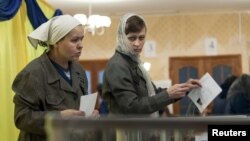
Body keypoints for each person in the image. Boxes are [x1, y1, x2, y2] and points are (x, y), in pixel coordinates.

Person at [12, 15, 99, 141]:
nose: (81, 45)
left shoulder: (79, 70)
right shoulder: (32, 73)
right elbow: (21, 118)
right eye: (74, 40)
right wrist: (58, 117)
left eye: (81, 39)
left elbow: (78, 108)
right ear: (56, 42)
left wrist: (88, 116)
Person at [102, 13, 202, 117]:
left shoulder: (134, 62)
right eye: (132, 38)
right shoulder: (117, 65)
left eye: (141, 38)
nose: (137, 43)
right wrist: (168, 94)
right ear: (122, 38)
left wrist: (185, 88)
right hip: (125, 132)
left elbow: (153, 93)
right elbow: (131, 106)